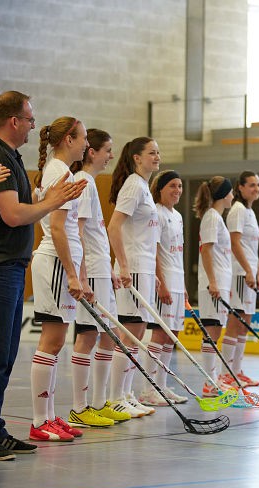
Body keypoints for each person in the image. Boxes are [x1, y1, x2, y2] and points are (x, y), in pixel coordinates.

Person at [0, 91, 86, 460]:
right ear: (14, 121)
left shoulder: (10, 156)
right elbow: (13, 215)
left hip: (10, 265)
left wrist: (47, 199)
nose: (34, 126)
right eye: (30, 119)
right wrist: (52, 201)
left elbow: (21, 208)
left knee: (4, 353)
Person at [28, 116, 92, 441]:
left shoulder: (58, 170)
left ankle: (50, 416)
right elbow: (56, 228)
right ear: (69, 139)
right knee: (51, 342)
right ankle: (40, 421)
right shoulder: (60, 173)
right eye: (83, 138)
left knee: (55, 344)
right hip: (54, 263)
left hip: (59, 263)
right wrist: (70, 273)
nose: (87, 145)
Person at [68, 129, 133, 425]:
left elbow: (95, 235)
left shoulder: (90, 183)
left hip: (100, 270)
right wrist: (83, 277)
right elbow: (78, 233)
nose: (111, 156)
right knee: (87, 336)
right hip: (90, 271)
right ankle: (80, 408)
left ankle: (97, 402)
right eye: (107, 150)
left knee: (109, 336)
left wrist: (109, 270)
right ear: (92, 152)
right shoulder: (83, 181)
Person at [107, 137, 161, 418]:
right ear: (137, 158)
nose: (157, 156)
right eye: (152, 153)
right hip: (134, 268)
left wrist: (153, 273)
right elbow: (114, 226)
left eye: (158, 152)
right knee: (129, 334)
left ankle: (127, 394)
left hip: (145, 268)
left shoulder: (143, 187)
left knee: (138, 334)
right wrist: (124, 265)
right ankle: (116, 397)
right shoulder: (133, 185)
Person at [136, 170, 190, 406]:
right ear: (160, 189)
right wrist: (162, 282)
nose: (177, 190)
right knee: (160, 334)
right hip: (165, 281)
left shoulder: (177, 216)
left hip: (178, 282)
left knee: (172, 335)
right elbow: (155, 250)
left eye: (180, 186)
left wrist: (183, 285)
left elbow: (178, 253)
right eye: (172, 186)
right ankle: (148, 389)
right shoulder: (156, 213)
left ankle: (162, 385)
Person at [220, 171, 259, 388]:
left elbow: (251, 248)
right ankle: (226, 373)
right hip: (239, 273)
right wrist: (248, 270)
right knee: (235, 322)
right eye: (252, 185)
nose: (256, 189)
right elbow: (235, 243)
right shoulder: (237, 210)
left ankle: (237, 371)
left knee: (244, 324)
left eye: (258, 185)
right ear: (240, 187)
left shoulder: (250, 212)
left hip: (249, 273)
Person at [194, 176, 235, 397]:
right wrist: (213, 281)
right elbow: (206, 250)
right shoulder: (211, 217)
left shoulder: (217, 218)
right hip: (213, 283)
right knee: (211, 329)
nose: (233, 196)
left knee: (216, 329)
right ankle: (209, 382)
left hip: (221, 282)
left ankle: (214, 378)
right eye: (230, 192)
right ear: (224, 194)